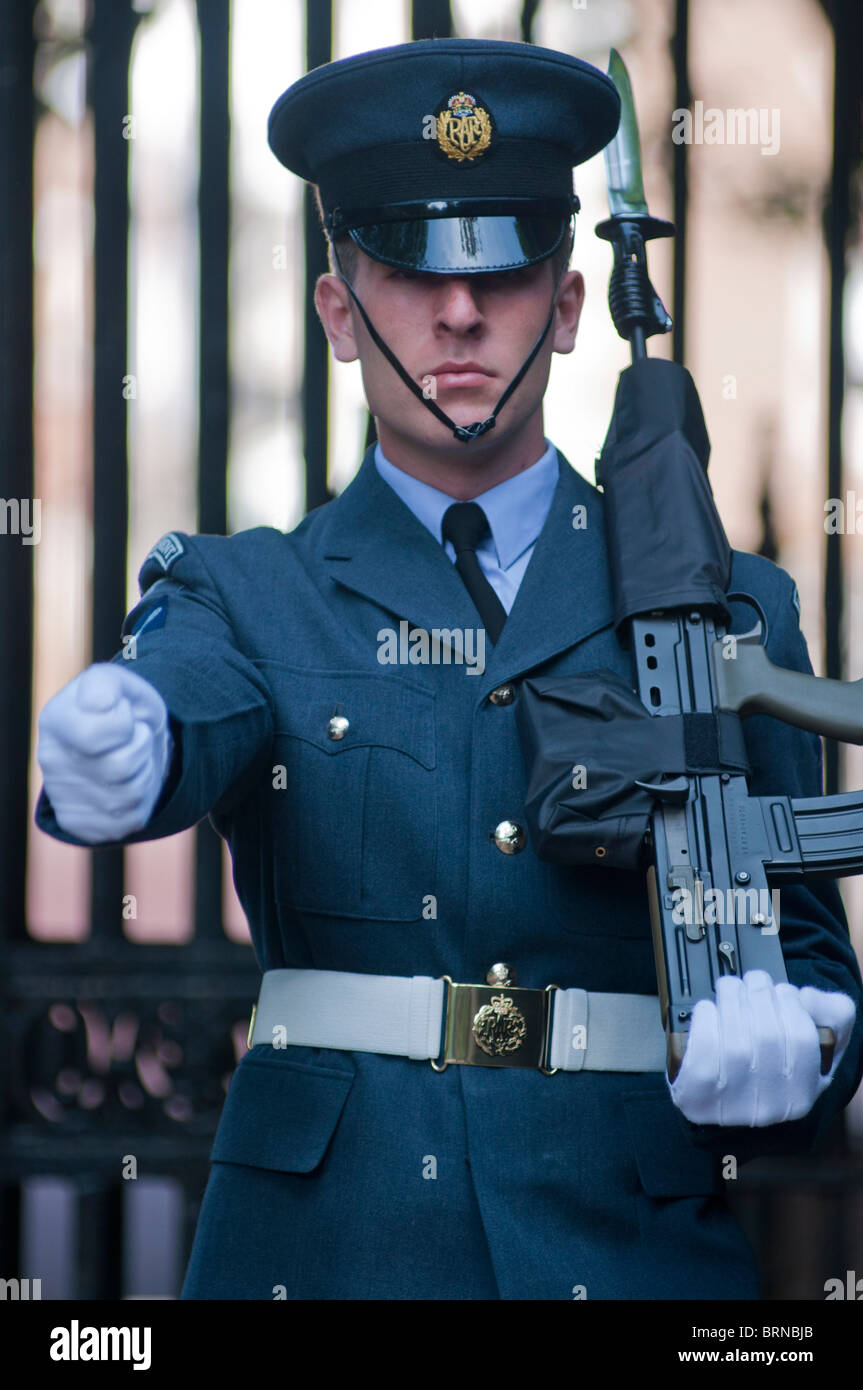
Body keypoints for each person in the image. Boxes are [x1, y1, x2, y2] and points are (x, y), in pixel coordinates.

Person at [34, 38, 863, 1301]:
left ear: (571, 305)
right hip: (327, 1252)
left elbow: (811, 960)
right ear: (337, 313)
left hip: (624, 1248)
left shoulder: (735, 605)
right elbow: (191, 705)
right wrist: (127, 733)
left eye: (507, 271)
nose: (461, 313)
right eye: (410, 273)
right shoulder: (248, 592)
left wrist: (804, 1046)